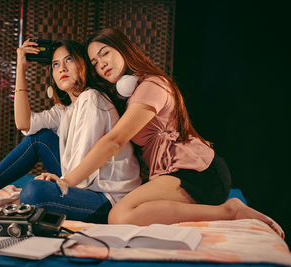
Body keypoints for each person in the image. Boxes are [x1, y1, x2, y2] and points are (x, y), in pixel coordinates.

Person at [42, 28, 284, 238]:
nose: (101, 63)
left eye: (105, 53)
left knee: (120, 216)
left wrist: (67, 182)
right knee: (121, 214)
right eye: (94, 62)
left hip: (198, 174)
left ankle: (230, 211)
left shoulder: (151, 85)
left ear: (123, 50)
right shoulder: (129, 95)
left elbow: (114, 141)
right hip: (169, 174)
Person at [0, 39, 141, 223]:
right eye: (55, 64)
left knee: (34, 192)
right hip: (84, 185)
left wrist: (58, 183)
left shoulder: (92, 98)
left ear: (84, 64)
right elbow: (24, 123)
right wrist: (21, 68)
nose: (62, 68)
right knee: (39, 139)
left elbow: (84, 158)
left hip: (107, 198)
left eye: (69, 60)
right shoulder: (65, 110)